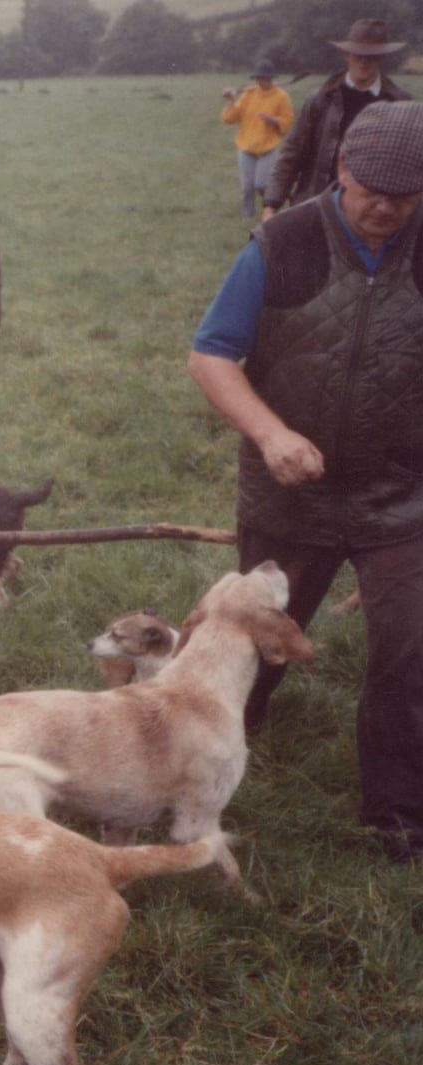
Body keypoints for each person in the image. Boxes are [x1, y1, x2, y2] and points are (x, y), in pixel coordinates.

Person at [188, 101, 423, 865]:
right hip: (290, 491)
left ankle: (397, 809)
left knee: (409, 649)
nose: (386, 205)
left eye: (408, 192)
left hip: (402, 495)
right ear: (341, 169)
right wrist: (270, 432)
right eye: (373, 188)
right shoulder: (281, 243)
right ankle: (206, 756)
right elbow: (212, 355)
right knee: (248, 653)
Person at [262, 18, 410, 220]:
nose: (364, 62)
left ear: (382, 57)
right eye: (358, 54)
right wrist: (271, 204)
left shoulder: (399, 103)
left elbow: (407, 166)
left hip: (370, 215)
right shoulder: (320, 99)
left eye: (372, 56)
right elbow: (292, 153)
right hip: (315, 205)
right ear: (347, 54)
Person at [221, 59, 295, 221]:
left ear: (272, 78)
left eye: (266, 78)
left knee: (261, 184)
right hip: (246, 147)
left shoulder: (282, 96)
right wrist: (231, 100)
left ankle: (272, 207)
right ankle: (247, 218)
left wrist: (274, 120)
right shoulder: (248, 94)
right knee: (247, 188)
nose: (263, 82)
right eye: (260, 78)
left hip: (268, 148)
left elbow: (288, 121)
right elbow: (230, 118)